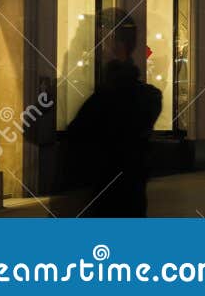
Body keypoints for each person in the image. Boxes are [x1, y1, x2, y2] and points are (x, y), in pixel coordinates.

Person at [66, 14, 162, 216]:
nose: (95, 49)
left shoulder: (112, 98)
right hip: (125, 195)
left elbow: (79, 138)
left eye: (101, 41)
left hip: (110, 198)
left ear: (118, 45)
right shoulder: (145, 96)